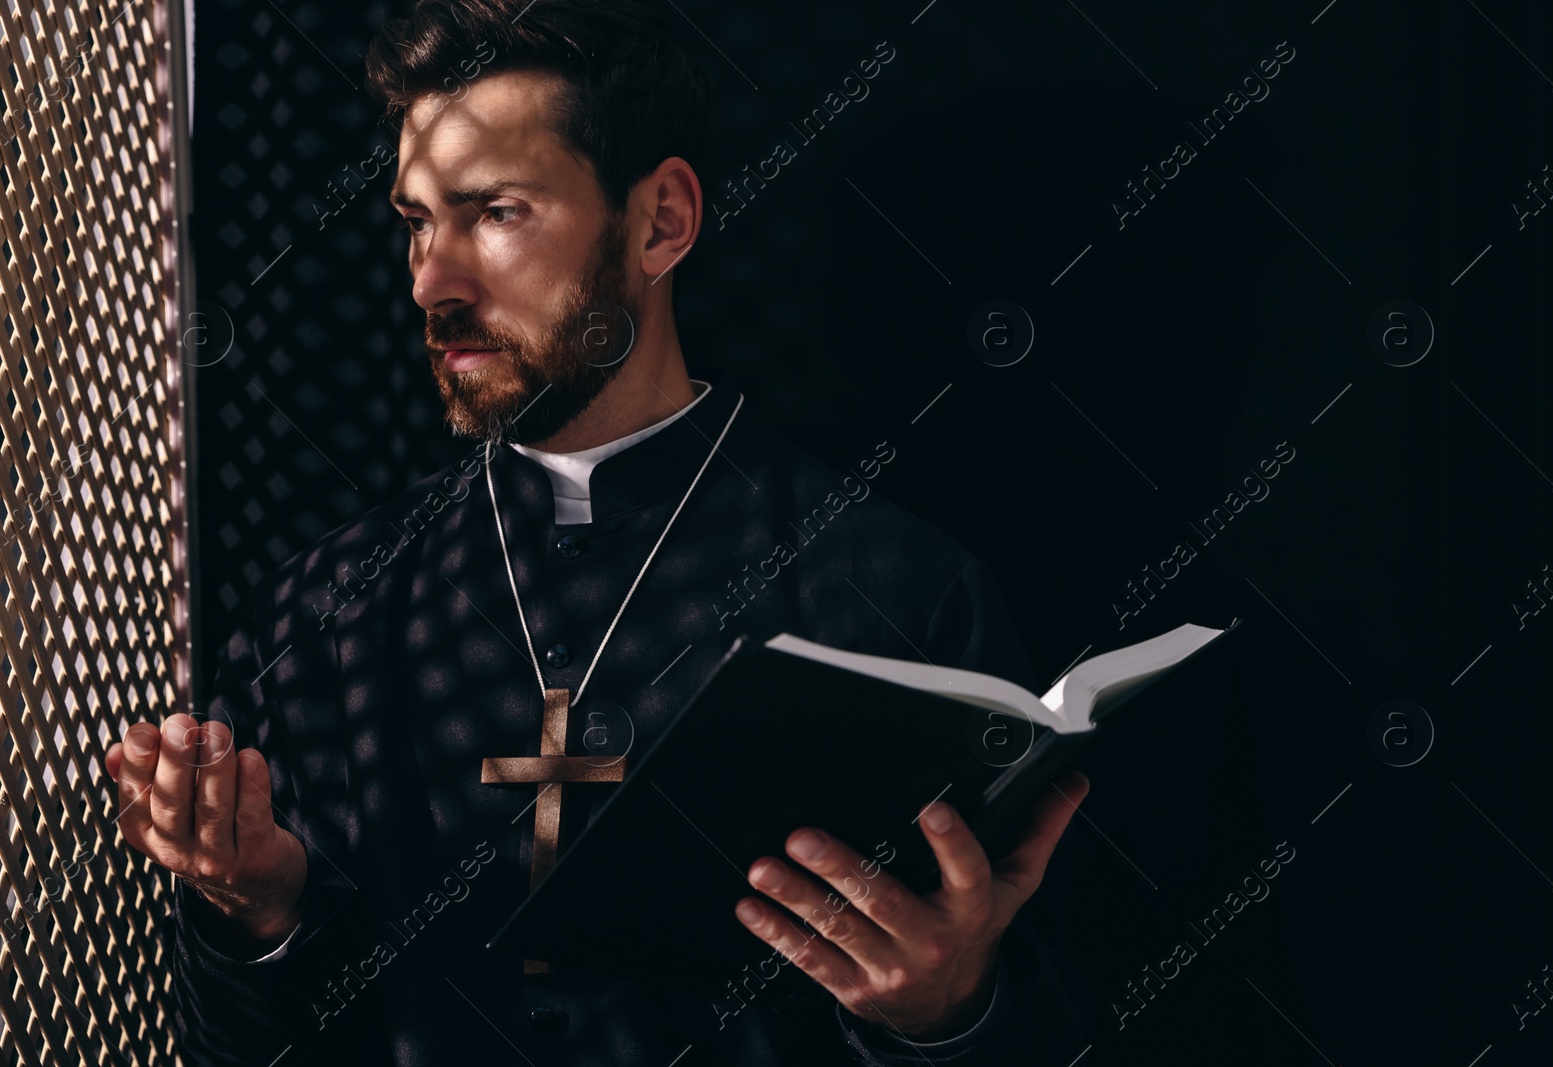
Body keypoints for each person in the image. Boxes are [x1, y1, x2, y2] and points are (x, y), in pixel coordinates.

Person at [105, 1, 1096, 1062]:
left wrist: (945, 1011)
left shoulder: (897, 589)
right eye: (414, 219)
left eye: (494, 211)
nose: (430, 280)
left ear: (662, 220)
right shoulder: (322, 614)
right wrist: (260, 917)